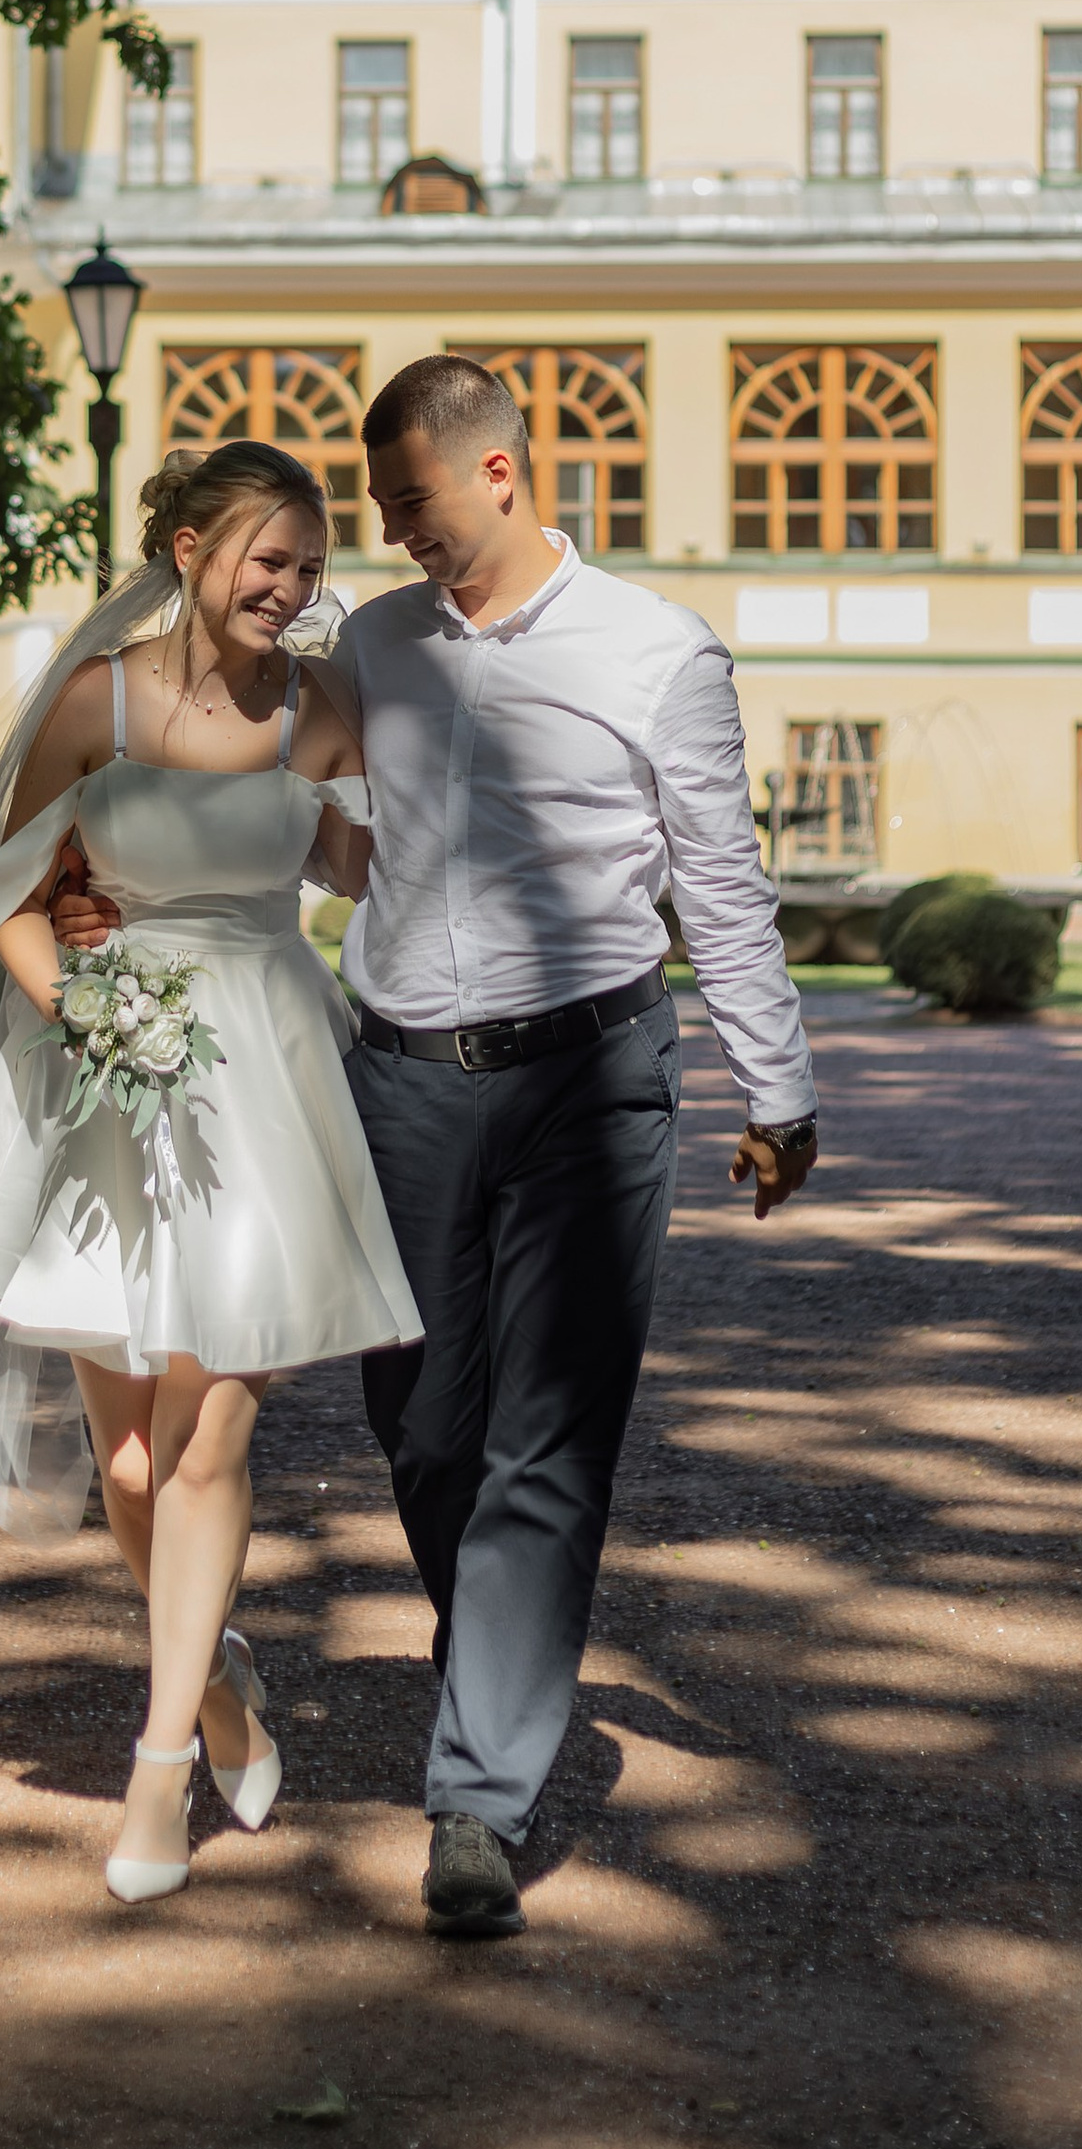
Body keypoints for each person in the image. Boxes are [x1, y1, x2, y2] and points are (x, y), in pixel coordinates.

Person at [0, 440, 421, 1908]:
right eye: (267, 559)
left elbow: (356, 867)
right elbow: (5, 889)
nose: (291, 587)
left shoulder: (320, 705)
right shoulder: (100, 699)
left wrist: (390, 828)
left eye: (310, 563)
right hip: (112, 1082)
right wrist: (79, 1008)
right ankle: (216, 1695)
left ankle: (157, 1772)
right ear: (193, 548)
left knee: (208, 1438)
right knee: (134, 1462)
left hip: (269, 1084)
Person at [331, 354, 818, 1938]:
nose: (393, 529)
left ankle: (478, 1794)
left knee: (552, 1436)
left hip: (592, 1079)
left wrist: (779, 1086)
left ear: (495, 473)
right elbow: (321, 823)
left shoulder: (657, 652)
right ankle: (497, 1640)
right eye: (380, 503)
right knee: (416, 1417)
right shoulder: (374, 646)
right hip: (401, 1075)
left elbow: (718, 880)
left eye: (409, 498)